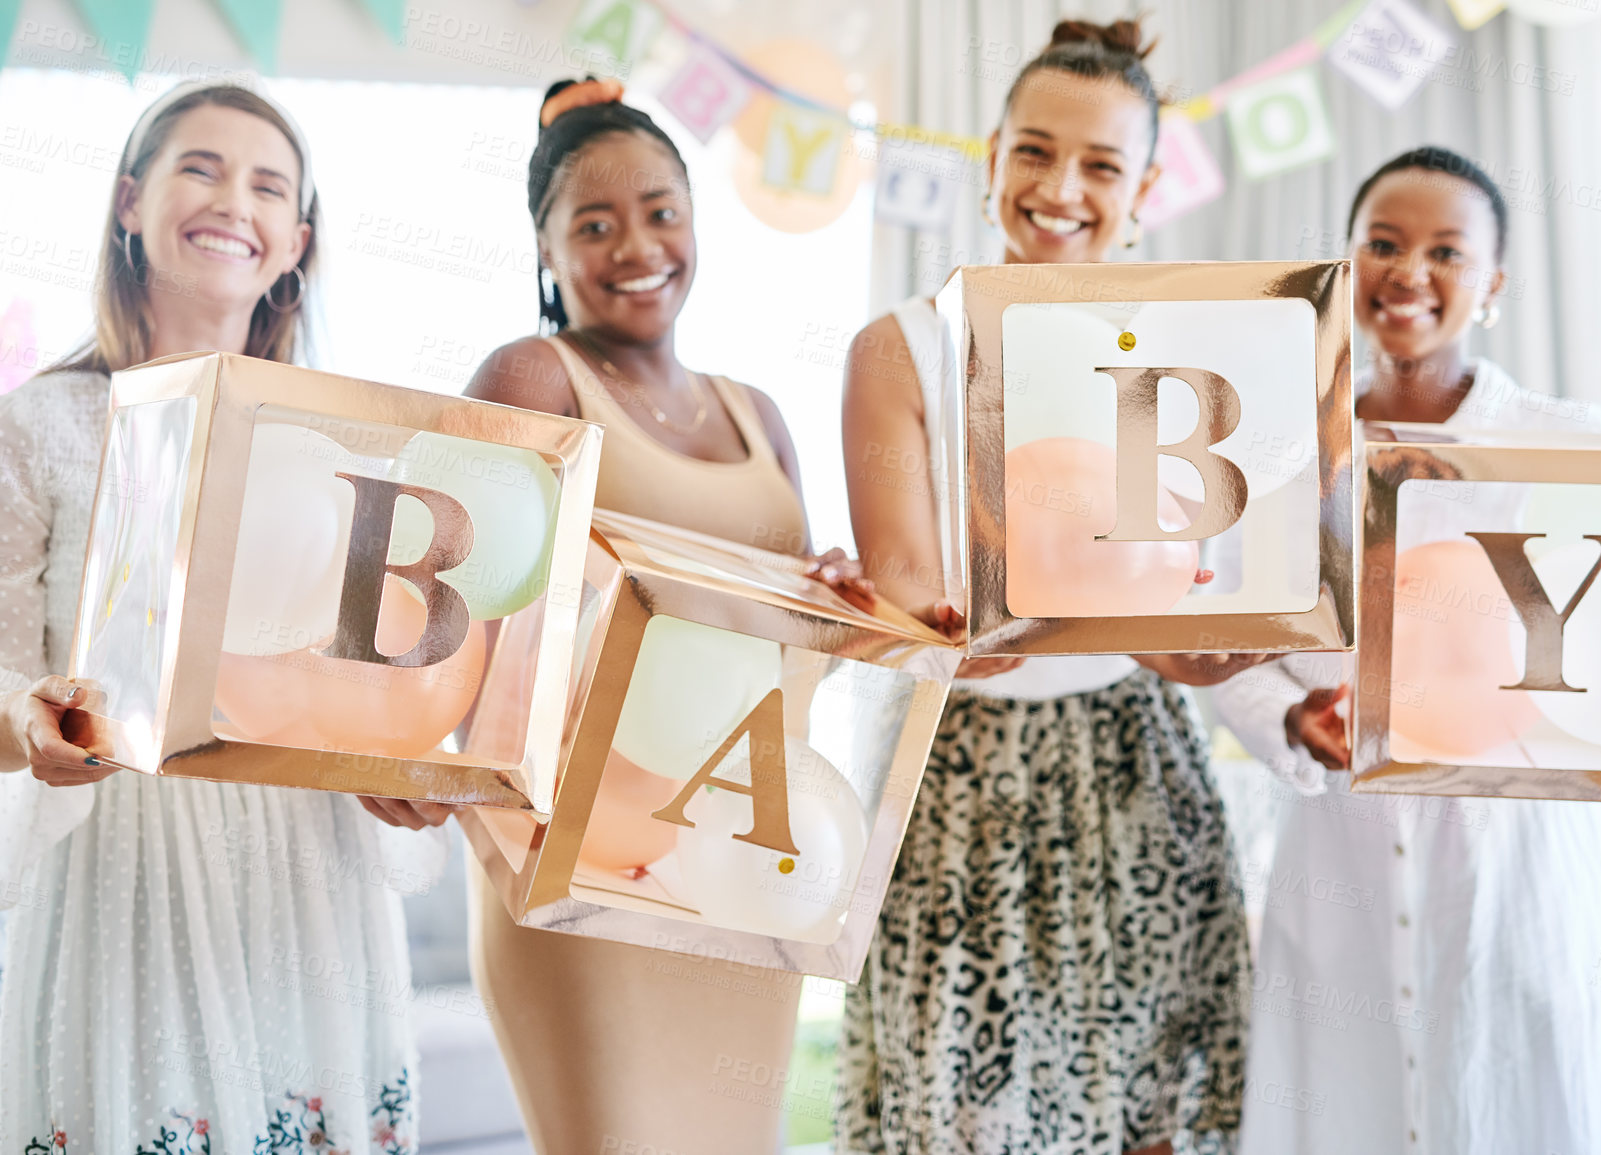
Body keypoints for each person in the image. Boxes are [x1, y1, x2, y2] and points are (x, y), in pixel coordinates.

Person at [837, 21, 1259, 1155]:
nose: (1061, 188)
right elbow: (919, 607)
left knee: (1145, 1115)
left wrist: (1209, 645)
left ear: (1149, 188)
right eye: (1033, 151)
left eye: (1102, 165)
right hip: (959, 780)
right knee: (964, 1118)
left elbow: (1220, 587)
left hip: (1135, 767)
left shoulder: (1197, 355)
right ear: (989, 162)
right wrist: (978, 629)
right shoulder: (901, 351)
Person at [0, 80, 442, 1152]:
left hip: (310, 882)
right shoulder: (42, 424)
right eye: (200, 166)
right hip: (128, 874)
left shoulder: (352, 440)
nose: (230, 200)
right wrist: (31, 727)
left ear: (296, 241)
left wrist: (410, 768)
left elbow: (386, 678)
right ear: (128, 202)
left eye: (267, 184)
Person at [461, 77, 867, 1153]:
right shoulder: (531, 378)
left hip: (744, 861)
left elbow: (791, 656)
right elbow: (452, 630)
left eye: (659, 211)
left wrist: (843, 601)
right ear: (546, 251)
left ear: (695, 222)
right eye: (593, 224)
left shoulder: (759, 414)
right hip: (587, 874)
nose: (636, 244)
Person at [1212, 146, 1601, 1155]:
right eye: (1384, 244)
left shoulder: (1577, 447)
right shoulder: (1278, 450)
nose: (1411, 271)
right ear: (1346, 268)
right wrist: (1288, 717)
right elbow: (1223, 631)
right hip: (1341, 850)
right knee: (1348, 1103)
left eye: (1448, 250)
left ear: (1492, 283)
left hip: (1520, 864)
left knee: (1524, 1099)